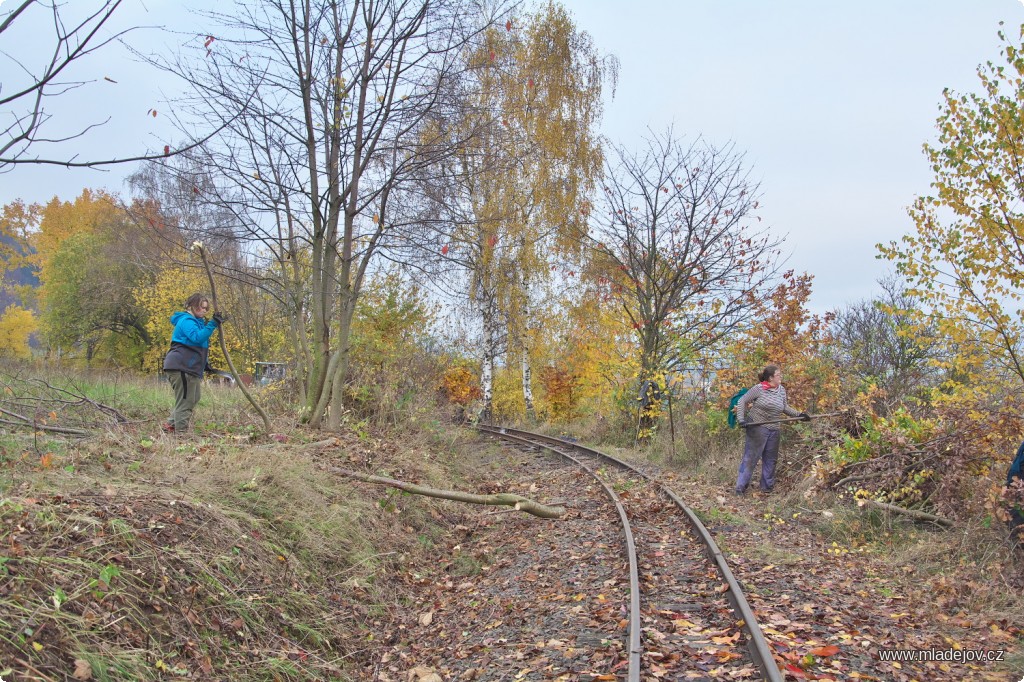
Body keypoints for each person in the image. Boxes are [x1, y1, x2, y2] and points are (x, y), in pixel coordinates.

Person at [733, 365, 810, 495]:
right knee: (751, 458)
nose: (781, 377)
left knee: (771, 459)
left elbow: (785, 407)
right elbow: (742, 401)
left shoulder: (781, 390)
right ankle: (740, 488)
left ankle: (766, 488)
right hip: (757, 426)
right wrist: (741, 419)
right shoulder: (759, 389)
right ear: (770, 378)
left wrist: (799, 415)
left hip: (774, 428)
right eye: (778, 375)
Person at [161, 293, 226, 434]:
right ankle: (181, 434)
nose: (203, 310)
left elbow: (197, 346)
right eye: (200, 307)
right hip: (181, 367)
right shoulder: (186, 320)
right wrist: (213, 324)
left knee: (194, 398)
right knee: (186, 401)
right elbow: (196, 338)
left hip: (189, 368)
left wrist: (205, 364)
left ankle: (170, 425)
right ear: (191, 306)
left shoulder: (196, 322)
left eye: (206, 308)